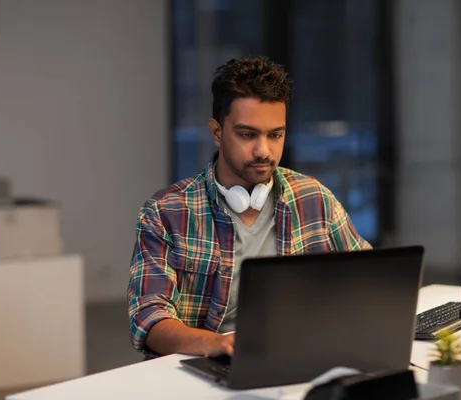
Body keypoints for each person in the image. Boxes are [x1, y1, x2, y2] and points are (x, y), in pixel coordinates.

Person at [128, 55, 371, 359]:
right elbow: (148, 319)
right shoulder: (165, 213)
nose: (264, 151)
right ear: (217, 132)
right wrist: (216, 344)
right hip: (206, 364)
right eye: (247, 134)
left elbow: (368, 279)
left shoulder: (314, 198)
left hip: (298, 356)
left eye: (275, 135)